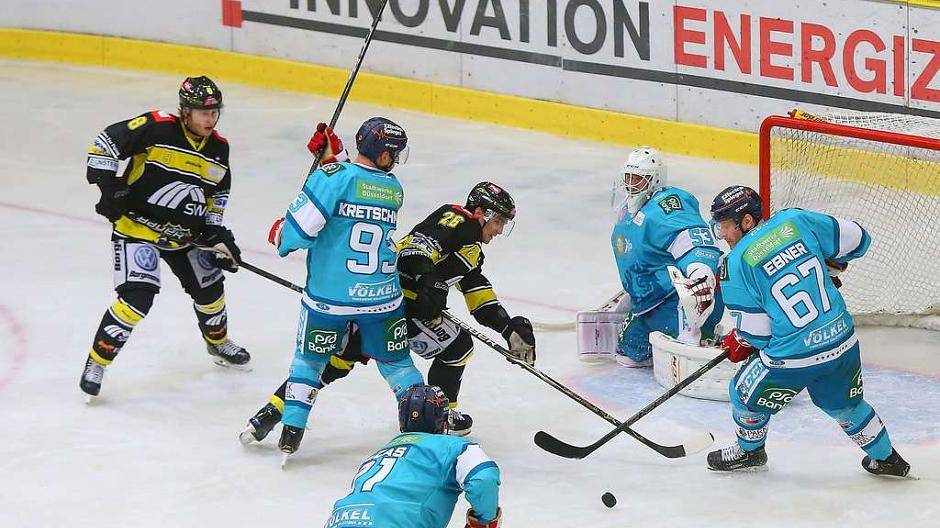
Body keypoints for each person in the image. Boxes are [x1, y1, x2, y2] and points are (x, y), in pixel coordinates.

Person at [239, 181, 535, 442]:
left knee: (338, 361)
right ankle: (439, 415)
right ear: (482, 212)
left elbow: (476, 290)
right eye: (499, 222)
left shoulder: (472, 248)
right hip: (394, 304)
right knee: (456, 347)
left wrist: (507, 327)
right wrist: (427, 280)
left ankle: (269, 413)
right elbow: (413, 252)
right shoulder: (459, 220)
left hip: (388, 303)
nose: (499, 230)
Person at [706, 185, 910, 477]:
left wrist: (741, 340)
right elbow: (859, 239)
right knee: (847, 406)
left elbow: (758, 335)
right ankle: (888, 459)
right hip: (841, 340)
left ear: (746, 221)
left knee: (742, 392)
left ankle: (750, 452)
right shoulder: (794, 220)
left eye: (725, 225)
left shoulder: (734, 264)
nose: (722, 234)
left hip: (793, 358)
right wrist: (831, 266)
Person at [264, 117, 424, 461]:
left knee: (309, 362)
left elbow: (299, 233)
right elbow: (356, 182)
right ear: (384, 155)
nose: (395, 159)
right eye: (394, 153)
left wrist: (280, 232)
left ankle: (291, 432)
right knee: (398, 365)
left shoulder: (332, 177)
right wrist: (333, 157)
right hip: (382, 298)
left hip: (331, 299)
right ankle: (423, 430)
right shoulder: (393, 188)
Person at [80, 76, 248, 400]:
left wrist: (216, 233)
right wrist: (109, 187)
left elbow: (217, 194)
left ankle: (217, 342)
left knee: (211, 290)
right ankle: (97, 362)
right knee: (136, 299)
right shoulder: (156, 128)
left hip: (184, 236)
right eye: (203, 112)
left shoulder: (219, 148)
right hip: (137, 230)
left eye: (214, 112)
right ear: (185, 111)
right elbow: (105, 143)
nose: (210, 119)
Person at [325, 384, 501, 528]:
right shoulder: (454, 446)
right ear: (442, 421)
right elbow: (484, 478)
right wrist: (484, 520)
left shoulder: (377, 455)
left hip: (338, 521)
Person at [609, 147, 724, 367]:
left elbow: (696, 242)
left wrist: (699, 272)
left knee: (686, 359)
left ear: (655, 180)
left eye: (638, 179)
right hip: (653, 300)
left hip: (682, 298)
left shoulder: (667, 206)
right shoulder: (627, 211)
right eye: (628, 177)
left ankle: (707, 336)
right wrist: (633, 293)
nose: (630, 184)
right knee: (628, 354)